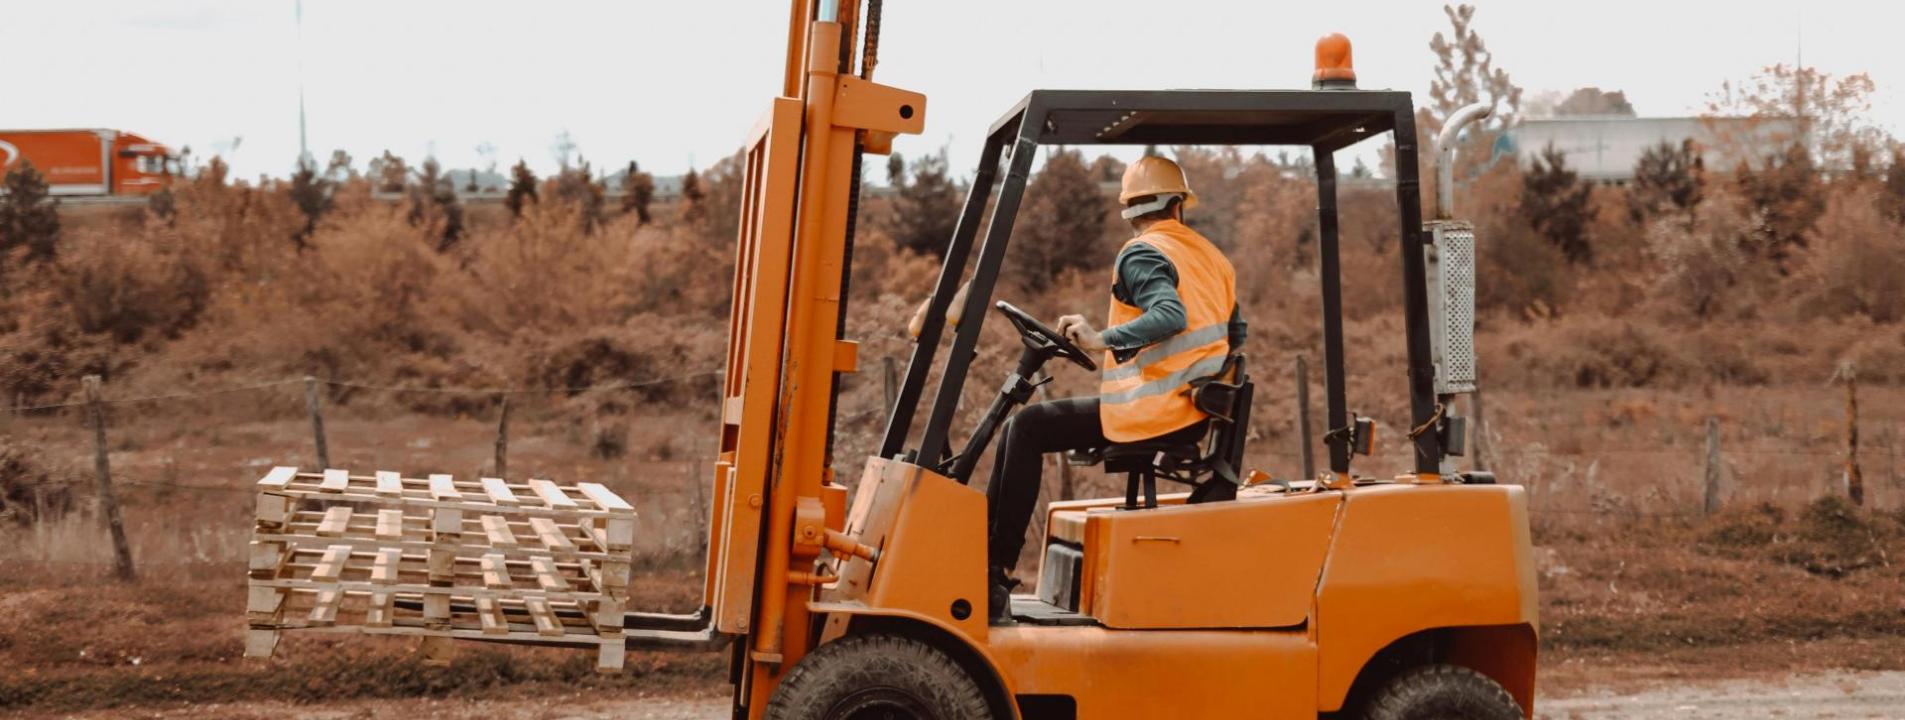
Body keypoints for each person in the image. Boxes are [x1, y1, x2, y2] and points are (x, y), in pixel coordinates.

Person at [985, 155, 1244, 623]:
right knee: (1023, 429)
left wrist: (1102, 339)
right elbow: (1235, 337)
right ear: (1180, 204)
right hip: (1191, 408)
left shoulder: (1143, 251)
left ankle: (992, 573)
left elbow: (1170, 315)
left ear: (1129, 209)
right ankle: (989, 565)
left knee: (1025, 427)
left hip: (1154, 412)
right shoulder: (1212, 258)